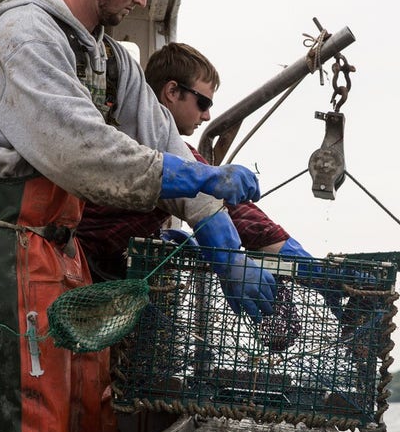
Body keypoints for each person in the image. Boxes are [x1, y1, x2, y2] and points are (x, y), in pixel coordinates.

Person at [0, 0, 276, 432]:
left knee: (85, 416)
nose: (144, 0)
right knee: (27, 424)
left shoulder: (112, 60)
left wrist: (224, 243)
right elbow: (81, 151)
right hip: (5, 253)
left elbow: (161, 141)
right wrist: (196, 177)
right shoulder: (23, 36)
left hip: (61, 253)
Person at [77, 42, 316, 282]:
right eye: (203, 103)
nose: (207, 115)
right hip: (76, 270)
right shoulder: (151, 149)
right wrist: (306, 265)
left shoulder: (131, 137)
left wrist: (162, 235)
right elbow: (226, 204)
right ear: (172, 92)